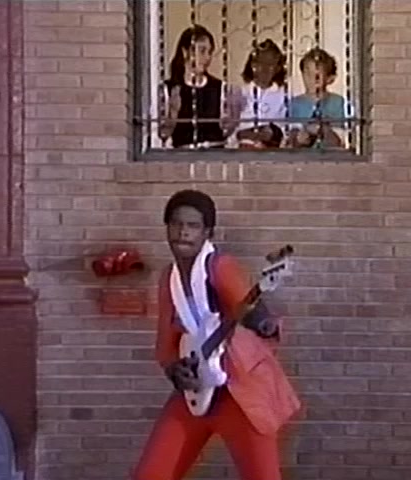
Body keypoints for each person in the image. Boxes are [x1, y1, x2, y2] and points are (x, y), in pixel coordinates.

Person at [131, 189, 301, 480]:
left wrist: (262, 322)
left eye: (193, 226)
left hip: (241, 392)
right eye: (176, 224)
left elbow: (248, 308)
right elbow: (165, 342)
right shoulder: (168, 278)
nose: (183, 232)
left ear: (207, 232)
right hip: (195, 389)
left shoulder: (220, 266)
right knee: (151, 473)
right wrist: (174, 370)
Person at [159, 26, 242, 149]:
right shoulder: (169, 90)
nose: (207, 58)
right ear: (185, 52)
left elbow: (226, 132)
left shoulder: (220, 88)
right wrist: (173, 113)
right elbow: (163, 135)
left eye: (209, 52)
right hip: (183, 155)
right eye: (202, 51)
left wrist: (231, 123)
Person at [286, 47, 349, 149]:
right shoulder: (294, 104)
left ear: (329, 78)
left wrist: (323, 129)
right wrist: (301, 137)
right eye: (307, 74)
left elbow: (340, 142)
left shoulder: (338, 103)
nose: (311, 79)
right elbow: (290, 141)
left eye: (317, 76)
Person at [233, 39, 288, 149]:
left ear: (278, 68)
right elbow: (231, 130)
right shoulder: (240, 93)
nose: (264, 68)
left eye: (270, 64)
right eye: (260, 63)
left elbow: (286, 130)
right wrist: (244, 134)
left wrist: (272, 133)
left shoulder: (284, 96)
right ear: (252, 64)